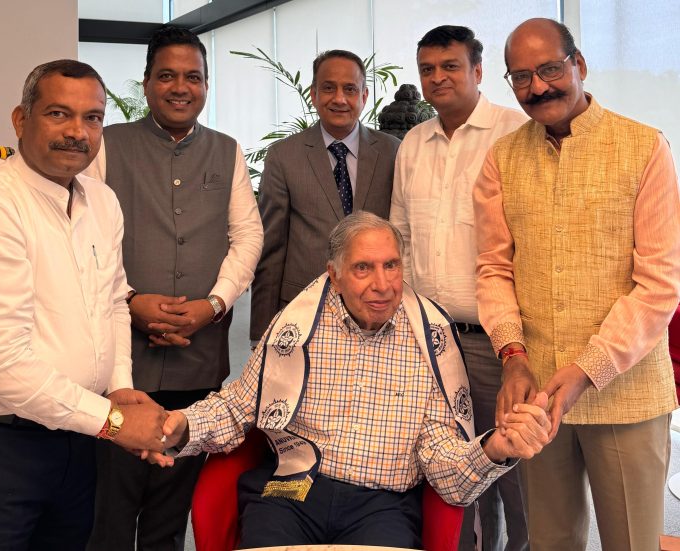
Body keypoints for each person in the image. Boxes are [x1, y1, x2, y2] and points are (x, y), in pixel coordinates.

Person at [149, 211, 551, 548]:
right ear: (335, 275)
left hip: (382, 504)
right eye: (363, 268)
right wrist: (182, 425)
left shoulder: (432, 343)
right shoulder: (298, 327)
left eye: (391, 265)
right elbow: (238, 408)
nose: (382, 284)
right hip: (291, 491)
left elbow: (442, 464)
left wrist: (494, 448)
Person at [473, 17, 680, 551]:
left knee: (632, 541)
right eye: (521, 77)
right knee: (551, 540)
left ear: (579, 65)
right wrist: (512, 355)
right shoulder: (501, 159)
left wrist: (591, 368)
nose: (538, 87)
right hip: (538, 395)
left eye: (549, 69)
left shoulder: (643, 147)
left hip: (627, 393)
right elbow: (494, 269)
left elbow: (659, 283)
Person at [84, 26, 263, 551]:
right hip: (118, 362)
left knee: (169, 511)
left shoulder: (227, 151)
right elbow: (84, 237)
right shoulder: (108, 145)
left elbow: (248, 235)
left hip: (198, 359)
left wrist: (215, 304)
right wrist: (130, 301)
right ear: (146, 84)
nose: (180, 87)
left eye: (192, 77)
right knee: (110, 508)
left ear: (207, 86)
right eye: (167, 76)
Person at [0, 59, 166, 550]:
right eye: (59, 114)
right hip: (3, 446)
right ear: (21, 121)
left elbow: (113, 301)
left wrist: (121, 390)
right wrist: (116, 422)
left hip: (80, 441)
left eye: (92, 118)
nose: (77, 133)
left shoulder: (102, 201)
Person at [390, 25, 528, 551]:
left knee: (514, 469)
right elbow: (400, 235)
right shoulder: (413, 145)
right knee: (452, 470)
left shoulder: (515, 133)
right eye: (428, 69)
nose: (437, 77)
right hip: (432, 338)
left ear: (477, 71)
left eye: (450, 66)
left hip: (500, 340)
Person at [249, 49, 400, 344]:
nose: (339, 99)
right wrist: (261, 332)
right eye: (328, 88)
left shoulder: (394, 152)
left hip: (378, 311)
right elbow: (271, 249)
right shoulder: (283, 155)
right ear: (313, 94)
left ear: (364, 96)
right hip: (302, 310)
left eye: (350, 89)